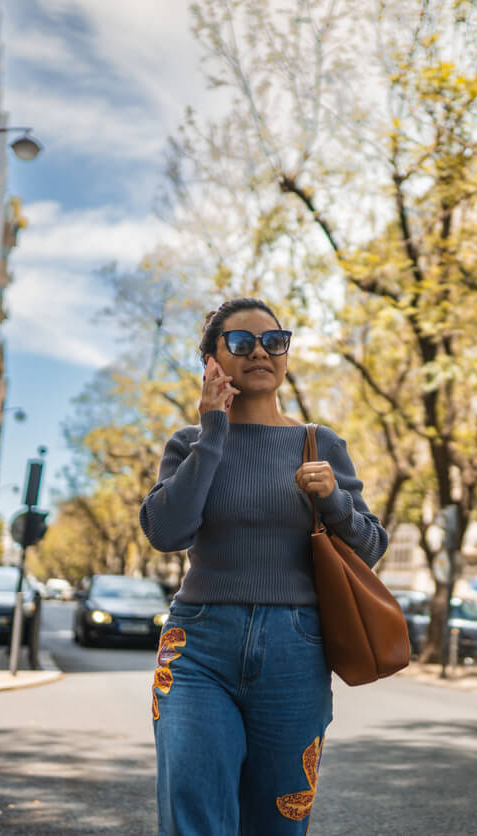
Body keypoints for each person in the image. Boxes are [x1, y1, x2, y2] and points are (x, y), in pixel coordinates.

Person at [139, 297, 389, 835]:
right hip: (197, 648)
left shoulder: (319, 445)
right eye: (240, 342)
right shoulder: (189, 443)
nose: (260, 351)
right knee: (193, 812)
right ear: (211, 361)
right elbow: (167, 532)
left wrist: (333, 501)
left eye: (274, 341)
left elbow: (370, 547)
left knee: (278, 823)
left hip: (295, 652)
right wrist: (213, 433)